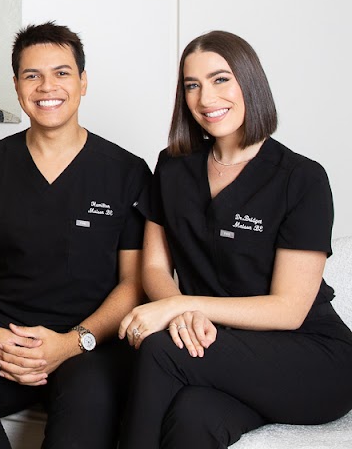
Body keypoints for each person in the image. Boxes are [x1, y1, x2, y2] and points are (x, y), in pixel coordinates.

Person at [119, 31, 352, 448]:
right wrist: (180, 311)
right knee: (193, 416)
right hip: (218, 347)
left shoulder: (302, 178)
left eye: (220, 79)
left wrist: (179, 307)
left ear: (250, 81)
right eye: (192, 85)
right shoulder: (172, 167)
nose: (206, 97)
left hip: (311, 357)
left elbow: (289, 309)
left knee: (160, 348)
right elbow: (154, 266)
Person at [0, 22, 150, 449]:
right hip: (1, 331)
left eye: (62, 73)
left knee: (90, 404)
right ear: (16, 86)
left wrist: (73, 342)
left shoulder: (127, 171)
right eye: (33, 75)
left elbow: (134, 281)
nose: (47, 87)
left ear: (83, 81)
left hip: (91, 341)